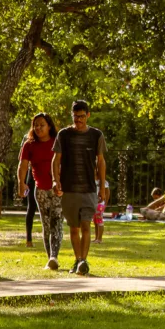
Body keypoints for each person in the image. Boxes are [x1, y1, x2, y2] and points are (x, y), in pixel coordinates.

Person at [50, 100, 108, 276]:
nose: (78, 120)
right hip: (69, 188)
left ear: (88, 115)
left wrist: (103, 187)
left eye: (82, 116)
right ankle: (77, 260)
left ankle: (83, 260)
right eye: (75, 117)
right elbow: (56, 160)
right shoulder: (64, 135)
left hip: (89, 189)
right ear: (72, 115)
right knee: (74, 228)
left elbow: (101, 161)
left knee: (86, 225)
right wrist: (55, 180)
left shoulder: (97, 135)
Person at [17, 112, 63, 270]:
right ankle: (50, 258)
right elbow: (23, 166)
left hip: (58, 188)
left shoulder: (58, 142)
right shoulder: (29, 145)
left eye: (41, 124)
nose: (38, 127)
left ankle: (54, 256)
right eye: (35, 125)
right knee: (46, 223)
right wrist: (21, 183)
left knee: (56, 221)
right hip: (40, 190)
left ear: (49, 126)